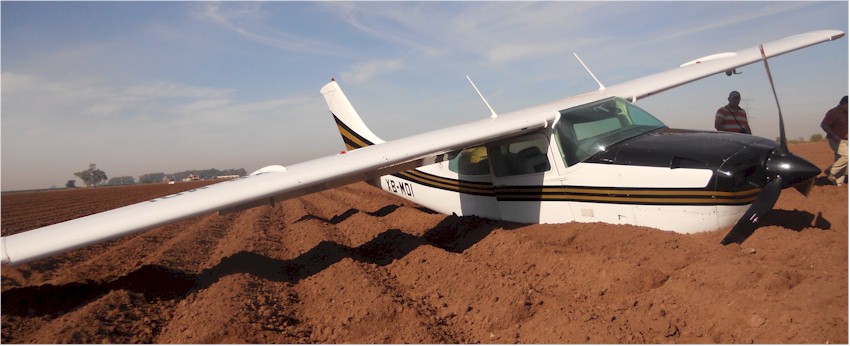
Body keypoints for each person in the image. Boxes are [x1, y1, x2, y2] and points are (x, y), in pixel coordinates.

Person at [821, 95, 848, 186]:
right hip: (835, 140)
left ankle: (837, 183)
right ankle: (831, 171)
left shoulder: (846, 113)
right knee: (847, 156)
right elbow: (824, 125)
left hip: (846, 140)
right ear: (844, 104)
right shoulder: (833, 112)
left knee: (841, 160)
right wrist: (834, 135)